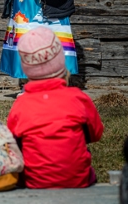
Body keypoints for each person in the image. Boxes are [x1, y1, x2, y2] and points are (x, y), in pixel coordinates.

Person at [7, 26, 103, 189]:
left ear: (26, 68)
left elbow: (12, 146)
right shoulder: (78, 98)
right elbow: (95, 134)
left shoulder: (20, 105)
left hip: (35, 184)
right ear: (60, 61)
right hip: (78, 182)